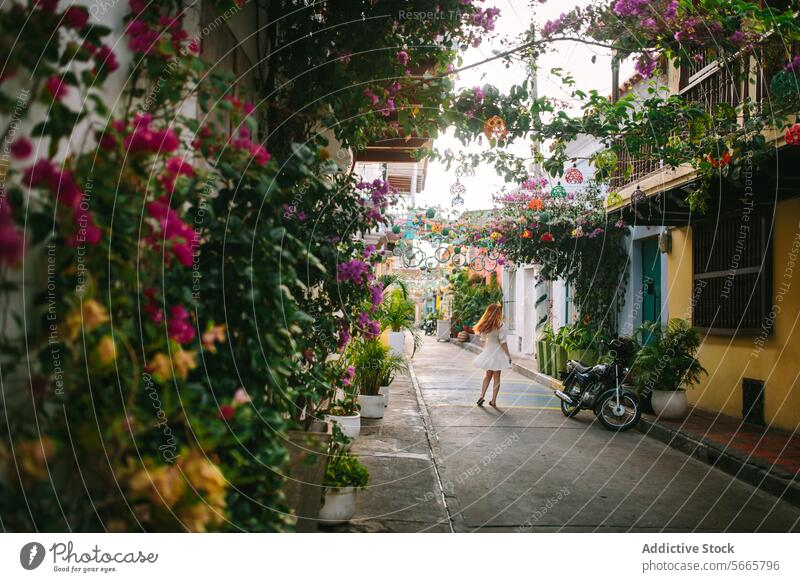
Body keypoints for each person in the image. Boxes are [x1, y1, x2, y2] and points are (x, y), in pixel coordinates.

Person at [472, 302, 512, 407]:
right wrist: (508, 355)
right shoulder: (501, 325)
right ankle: (493, 400)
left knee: (487, 375)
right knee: (497, 377)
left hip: (488, 351)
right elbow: (503, 342)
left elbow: (483, 339)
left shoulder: (485, 325)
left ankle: (481, 396)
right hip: (497, 353)